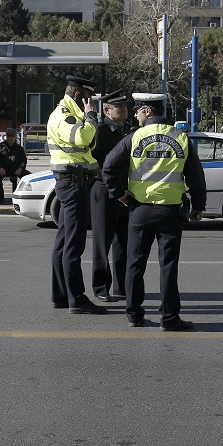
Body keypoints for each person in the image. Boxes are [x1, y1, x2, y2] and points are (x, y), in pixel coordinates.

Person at [102, 92, 206, 331]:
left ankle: (134, 315)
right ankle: (169, 318)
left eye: (138, 109)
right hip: (170, 212)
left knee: (134, 266)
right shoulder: (180, 138)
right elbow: (195, 175)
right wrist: (199, 205)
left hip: (139, 210)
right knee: (168, 266)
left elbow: (108, 165)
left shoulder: (134, 137)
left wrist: (119, 193)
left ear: (148, 111)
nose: (136, 113)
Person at [47, 75, 106, 315]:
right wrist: (91, 117)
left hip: (74, 180)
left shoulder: (71, 114)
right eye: (89, 98)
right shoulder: (64, 115)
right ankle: (76, 299)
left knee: (64, 241)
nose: (91, 103)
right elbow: (83, 137)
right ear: (80, 95)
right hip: (72, 182)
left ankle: (61, 295)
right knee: (74, 243)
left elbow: (86, 146)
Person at [89, 89, 131, 302]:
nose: (124, 109)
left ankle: (122, 286)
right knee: (102, 242)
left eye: (125, 106)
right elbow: (94, 164)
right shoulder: (100, 131)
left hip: (124, 192)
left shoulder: (126, 130)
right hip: (105, 191)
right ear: (106, 110)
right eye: (119, 107)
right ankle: (100, 287)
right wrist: (114, 186)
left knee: (123, 242)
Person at [0, 127, 29, 203]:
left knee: (28, 177)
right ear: (6, 137)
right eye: (9, 136)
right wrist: (0, 168)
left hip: (16, 169)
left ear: (15, 137)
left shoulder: (19, 148)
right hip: (4, 169)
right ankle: (1, 197)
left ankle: (24, 196)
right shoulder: (0, 147)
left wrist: (21, 168)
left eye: (12, 136)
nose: (10, 138)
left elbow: (23, 160)